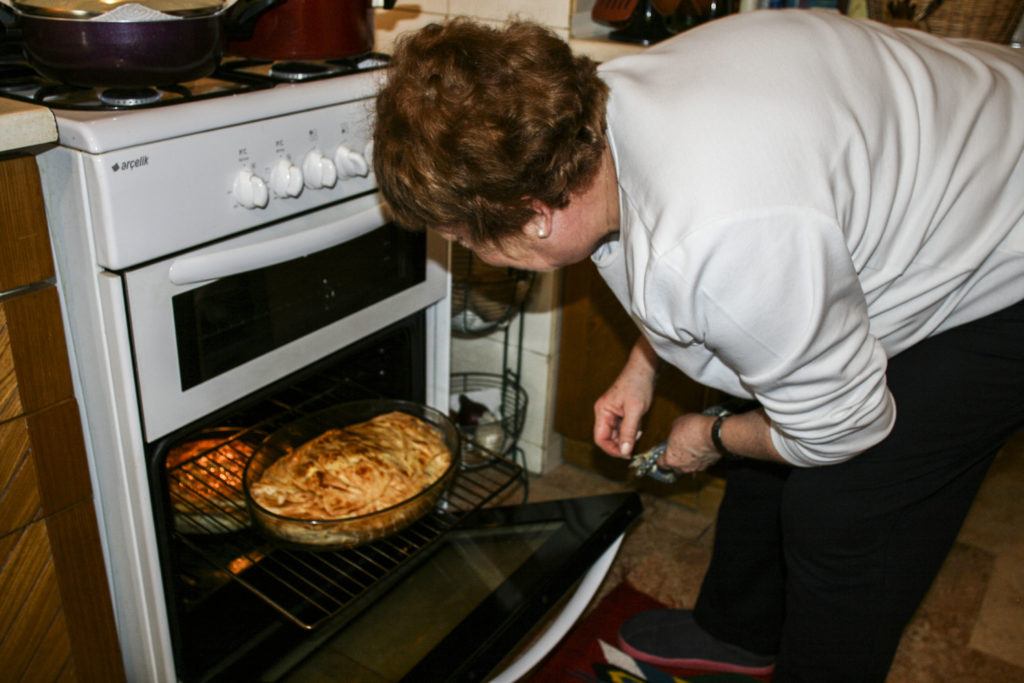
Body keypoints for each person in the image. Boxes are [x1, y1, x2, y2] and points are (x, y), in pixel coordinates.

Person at [372, 8, 1024, 681]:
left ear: (537, 215)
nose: (476, 255)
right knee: (767, 402)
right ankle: (739, 631)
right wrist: (641, 367)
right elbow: (668, 244)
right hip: (946, 152)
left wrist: (712, 437)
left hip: (1009, 238)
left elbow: (842, 427)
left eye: (468, 239)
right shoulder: (586, 112)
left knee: (846, 509)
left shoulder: (728, 240)